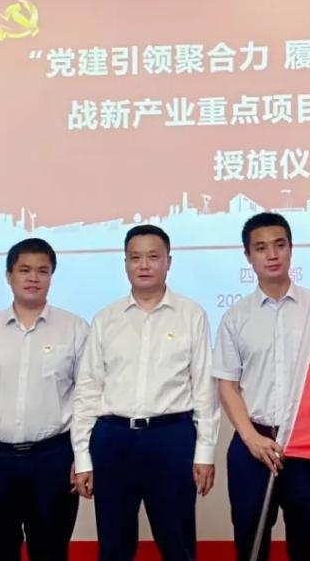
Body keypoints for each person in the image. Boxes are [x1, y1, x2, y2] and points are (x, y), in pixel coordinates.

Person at [72, 224, 219, 561]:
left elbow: (204, 389)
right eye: (135, 257)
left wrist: (205, 452)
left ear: (169, 262)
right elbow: (88, 389)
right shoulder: (105, 319)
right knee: (114, 545)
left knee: (177, 542)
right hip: (113, 438)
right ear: (125, 263)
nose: (144, 265)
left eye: (153, 257)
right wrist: (82, 456)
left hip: (172, 438)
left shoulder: (192, 315)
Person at [0, 238, 87, 561]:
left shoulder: (75, 329)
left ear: (51, 276)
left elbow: (88, 398)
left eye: (42, 271)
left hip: (54, 458)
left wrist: (83, 457)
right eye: (24, 270)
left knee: (51, 551)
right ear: (9, 276)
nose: (33, 278)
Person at [214, 213, 310, 561]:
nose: (272, 255)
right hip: (253, 443)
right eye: (261, 248)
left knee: (305, 544)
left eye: (280, 245)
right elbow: (227, 384)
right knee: (250, 543)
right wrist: (251, 438)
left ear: (291, 249)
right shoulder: (236, 317)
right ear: (248, 256)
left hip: (306, 444)